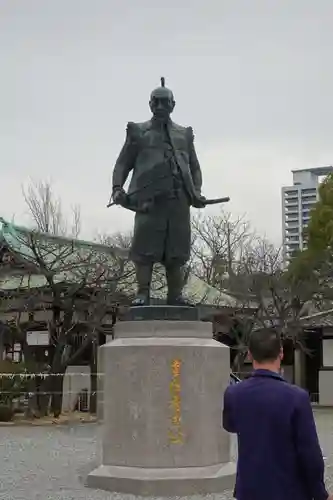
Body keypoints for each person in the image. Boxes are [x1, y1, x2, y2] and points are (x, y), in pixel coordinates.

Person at [111, 77, 206, 306]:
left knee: (176, 252)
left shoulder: (184, 134)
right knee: (144, 251)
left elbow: (194, 166)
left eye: (165, 102)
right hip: (148, 202)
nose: (161, 107)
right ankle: (142, 293)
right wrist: (117, 188)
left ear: (173, 104)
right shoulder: (138, 132)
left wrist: (197, 192)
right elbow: (123, 163)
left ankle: (175, 296)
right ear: (150, 104)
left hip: (178, 201)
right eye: (156, 102)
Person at [223, 328, 331, 500]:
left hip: (250, 489)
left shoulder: (233, 394)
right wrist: (320, 492)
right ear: (281, 353)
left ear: (249, 355)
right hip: (290, 491)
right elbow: (309, 453)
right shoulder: (297, 397)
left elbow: (230, 425)